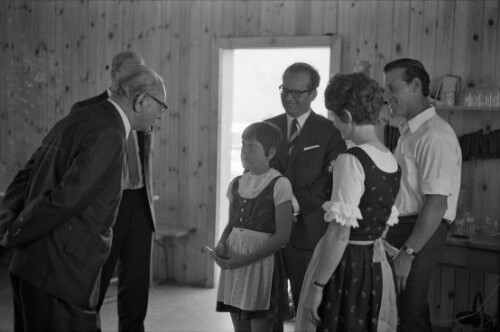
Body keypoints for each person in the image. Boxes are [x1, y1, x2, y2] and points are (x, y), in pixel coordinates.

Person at [0, 64, 167, 332]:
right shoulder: (110, 133)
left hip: (32, 268)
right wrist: (14, 232)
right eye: (161, 107)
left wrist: (12, 225)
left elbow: (26, 174)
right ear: (141, 100)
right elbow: (65, 199)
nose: (160, 116)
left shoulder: (84, 117)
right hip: (59, 274)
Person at [295, 72, 401, 332]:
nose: (334, 125)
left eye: (334, 117)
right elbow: (381, 224)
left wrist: (317, 287)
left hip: (346, 265)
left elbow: (340, 233)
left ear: (348, 117)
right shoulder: (389, 158)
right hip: (374, 266)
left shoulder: (352, 159)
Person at [72, 51, 156, 332]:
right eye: (132, 74)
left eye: (141, 73)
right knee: (96, 281)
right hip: (106, 206)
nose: (138, 80)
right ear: (114, 75)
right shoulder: (87, 109)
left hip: (140, 204)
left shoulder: (145, 105)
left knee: (136, 286)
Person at [383, 58, 462, 331]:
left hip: (418, 232)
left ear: (416, 85)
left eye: (392, 88)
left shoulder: (434, 135)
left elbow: (437, 203)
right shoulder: (410, 132)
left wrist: (408, 253)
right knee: (405, 311)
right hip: (404, 230)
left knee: (409, 315)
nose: (386, 97)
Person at [265, 62, 346, 313]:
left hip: (309, 236)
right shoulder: (266, 128)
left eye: (296, 93)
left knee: (307, 311)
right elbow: (253, 174)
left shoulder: (329, 132)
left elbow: (330, 180)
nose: (289, 97)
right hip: (268, 235)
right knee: (267, 311)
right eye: (284, 90)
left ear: (313, 94)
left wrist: (292, 205)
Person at [213, 122, 293, 332]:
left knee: (260, 325)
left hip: (261, 266)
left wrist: (245, 259)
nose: (245, 152)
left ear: (271, 152)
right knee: (239, 327)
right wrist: (222, 244)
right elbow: (232, 225)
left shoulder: (279, 184)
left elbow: (283, 236)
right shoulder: (237, 183)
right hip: (235, 264)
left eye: (252, 147)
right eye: (243, 145)